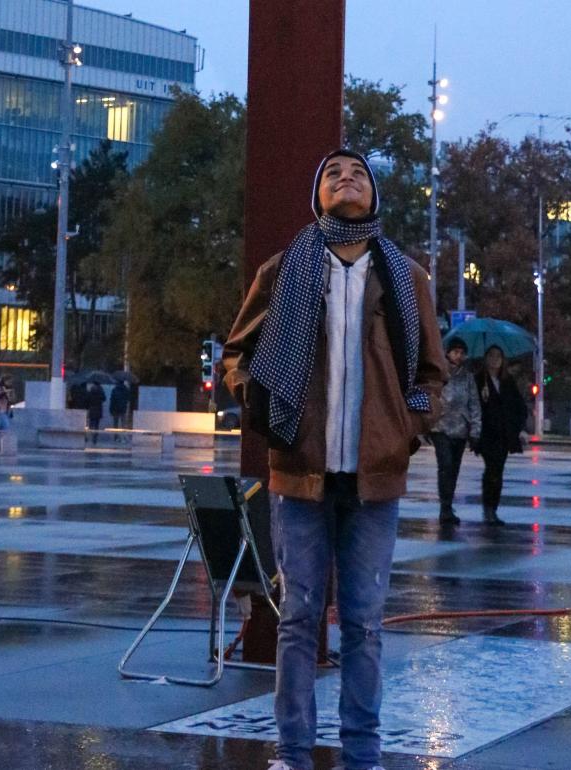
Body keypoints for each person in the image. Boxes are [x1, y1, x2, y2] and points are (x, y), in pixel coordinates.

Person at [222, 149, 445, 770]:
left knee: (365, 625)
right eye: (332, 175)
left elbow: (433, 373)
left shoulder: (405, 276)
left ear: (374, 194)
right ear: (316, 196)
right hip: (299, 472)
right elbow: (237, 355)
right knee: (297, 619)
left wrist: (405, 427)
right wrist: (262, 404)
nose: (345, 180)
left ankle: (362, 753)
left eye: (358, 175)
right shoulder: (282, 270)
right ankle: (293, 752)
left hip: (374, 479)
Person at [474, 345, 527, 527]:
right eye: (491, 356)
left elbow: (518, 407)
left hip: (503, 435)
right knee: (492, 470)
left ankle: (492, 509)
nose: (495, 359)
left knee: (498, 471)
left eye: (498, 356)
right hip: (487, 434)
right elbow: (474, 405)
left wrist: (517, 428)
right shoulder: (479, 380)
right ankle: (488, 509)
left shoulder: (507, 381)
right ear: (486, 358)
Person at [431, 337, 481, 526]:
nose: (458, 356)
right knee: (445, 466)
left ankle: (449, 504)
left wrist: (475, 431)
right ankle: (444, 507)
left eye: (462, 352)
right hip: (440, 428)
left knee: (454, 469)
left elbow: (474, 404)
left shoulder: (467, 378)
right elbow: (431, 396)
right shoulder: (439, 374)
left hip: (460, 429)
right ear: (448, 353)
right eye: (455, 352)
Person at [0, 374, 14, 453]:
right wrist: (5, 392)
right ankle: (3, 444)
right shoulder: (0, 388)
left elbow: (11, 401)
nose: (10, 382)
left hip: (7, 411)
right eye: (9, 381)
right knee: (6, 427)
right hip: (1, 411)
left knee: (1, 429)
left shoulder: (10, 389)